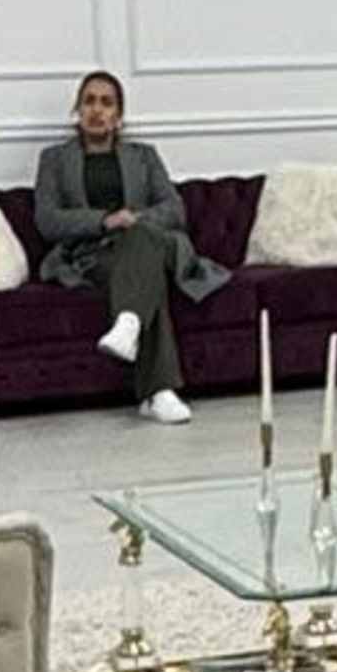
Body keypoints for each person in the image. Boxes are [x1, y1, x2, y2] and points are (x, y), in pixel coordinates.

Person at [34, 69, 226, 419]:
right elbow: (47, 220)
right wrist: (103, 221)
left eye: (107, 103)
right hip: (94, 254)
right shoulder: (55, 160)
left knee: (142, 245)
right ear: (77, 111)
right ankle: (158, 391)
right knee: (145, 274)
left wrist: (134, 222)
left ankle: (128, 328)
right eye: (89, 101)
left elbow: (174, 209)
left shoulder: (144, 156)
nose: (97, 110)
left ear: (119, 117)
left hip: (149, 240)